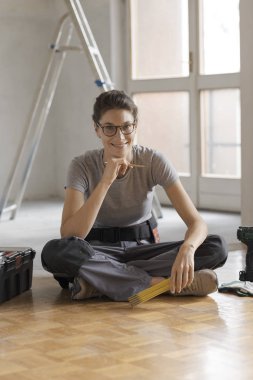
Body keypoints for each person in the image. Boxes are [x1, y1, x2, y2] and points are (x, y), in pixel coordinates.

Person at [41, 90, 228, 301]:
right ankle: (155, 284)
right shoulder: (81, 165)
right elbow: (70, 234)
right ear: (97, 130)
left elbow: (197, 223)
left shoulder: (153, 160)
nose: (120, 137)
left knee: (216, 246)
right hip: (97, 251)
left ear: (135, 126)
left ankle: (102, 282)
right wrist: (105, 182)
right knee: (54, 252)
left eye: (126, 127)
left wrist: (188, 248)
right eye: (109, 128)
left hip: (144, 252)